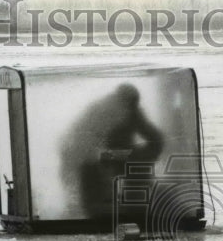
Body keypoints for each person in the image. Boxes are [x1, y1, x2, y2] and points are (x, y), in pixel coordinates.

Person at [60, 83, 164, 221]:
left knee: (136, 170)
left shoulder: (132, 112)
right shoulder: (99, 112)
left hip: (114, 158)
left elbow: (155, 139)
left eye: (132, 106)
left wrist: (140, 156)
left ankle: (136, 211)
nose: (130, 109)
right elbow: (87, 151)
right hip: (90, 160)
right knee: (96, 203)